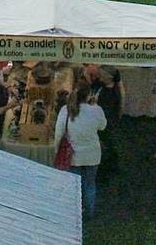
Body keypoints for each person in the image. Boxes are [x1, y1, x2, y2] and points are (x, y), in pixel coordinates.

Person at [54, 85, 107, 220]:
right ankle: (89, 213)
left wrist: (56, 150)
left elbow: (59, 134)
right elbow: (103, 126)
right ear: (89, 96)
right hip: (92, 154)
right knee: (90, 184)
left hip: (72, 155)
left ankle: (73, 213)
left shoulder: (65, 111)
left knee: (74, 186)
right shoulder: (96, 110)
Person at [84, 65, 124, 182]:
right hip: (103, 123)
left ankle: (104, 172)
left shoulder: (110, 95)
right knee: (109, 145)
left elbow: (105, 114)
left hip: (105, 125)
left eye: (101, 74)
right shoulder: (103, 85)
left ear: (109, 77)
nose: (99, 76)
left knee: (104, 146)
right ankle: (112, 165)